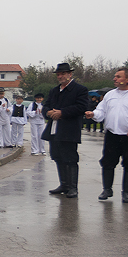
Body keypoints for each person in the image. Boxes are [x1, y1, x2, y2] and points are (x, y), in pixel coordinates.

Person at [85, 67, 128, 203]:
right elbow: (101, 111)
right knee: (107, 163)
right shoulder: (110, 95)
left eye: (118, 77)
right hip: (112, 134)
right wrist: (93, 114)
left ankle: (126, 192)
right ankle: (107, 189)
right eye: (115, 76)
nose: (114, 79)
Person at [41, 62, 90, 198]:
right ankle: (64, 184)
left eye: (63, 73)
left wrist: (62, 112)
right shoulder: (54, 91)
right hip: (54, 129)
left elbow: (81, 107)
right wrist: (48, 113)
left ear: (70, 74)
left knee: (70, 157)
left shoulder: (79, 90)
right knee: (57, 156)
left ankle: (73, 187)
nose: (60, 76)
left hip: (69, 129)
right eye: (58, 74)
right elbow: (46, 106)